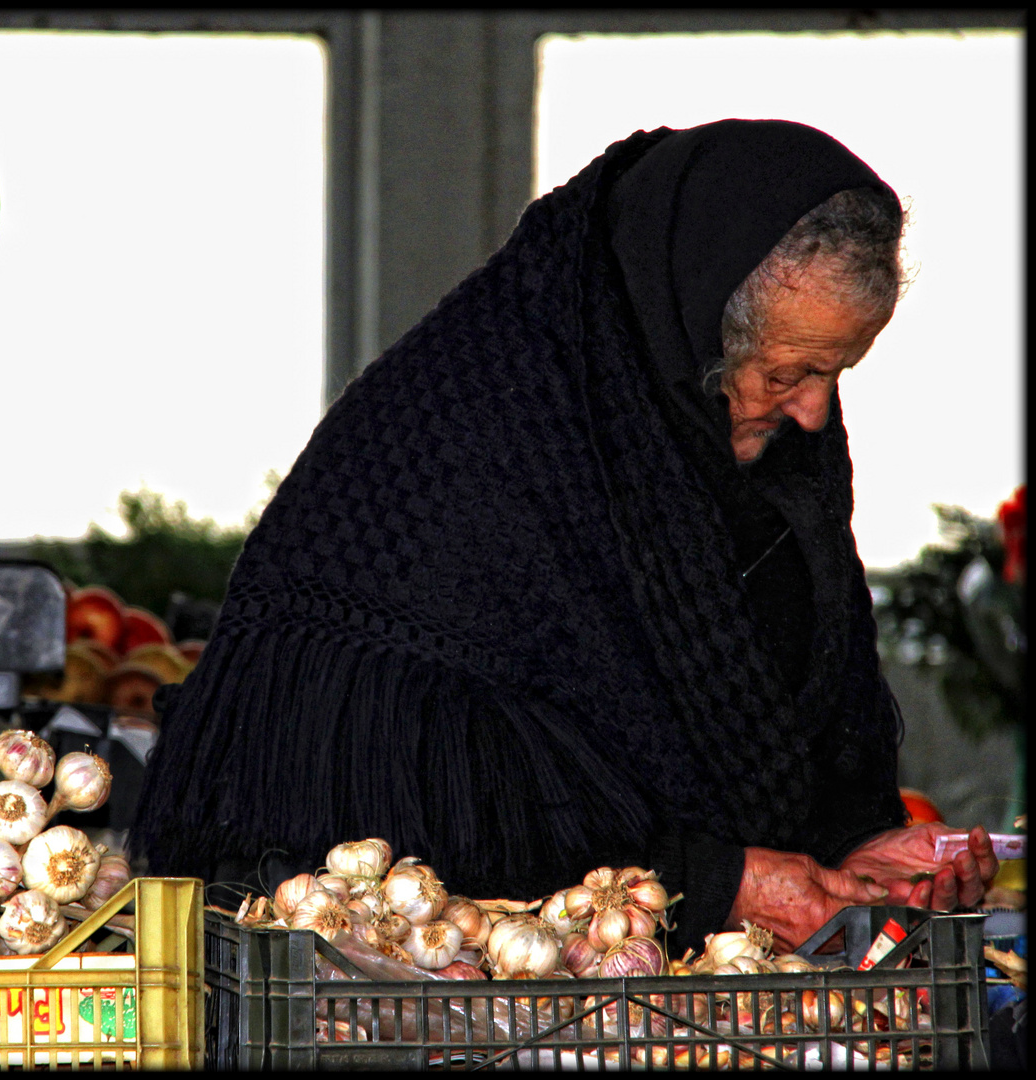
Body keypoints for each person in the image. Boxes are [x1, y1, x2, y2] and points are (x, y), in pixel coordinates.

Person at [133, 119, 998, 954]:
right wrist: (711, 878)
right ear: (688, 331)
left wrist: (854, 852)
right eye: (788, 372)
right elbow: (380, 822)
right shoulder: (467, 442)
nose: (814, 410)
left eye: (835, 374)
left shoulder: (769, 457)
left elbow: (788, 725)